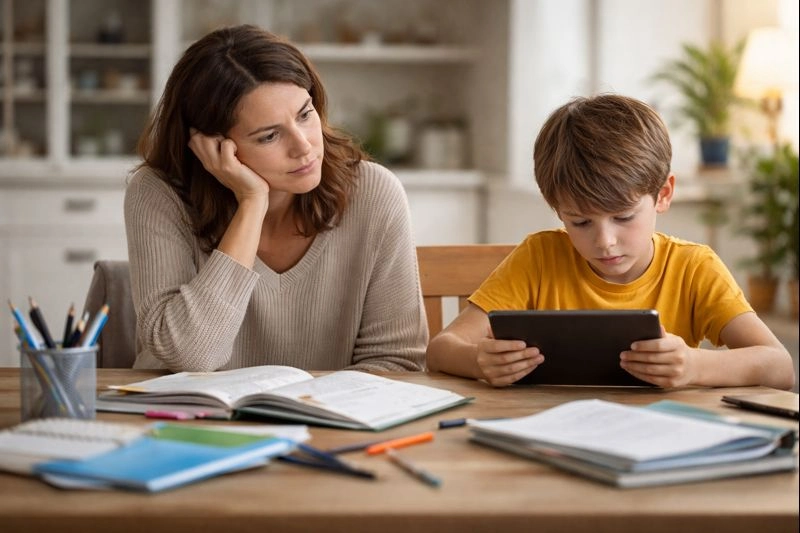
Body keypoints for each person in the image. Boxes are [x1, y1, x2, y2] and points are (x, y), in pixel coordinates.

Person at [426, 94, 795, 390]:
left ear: (663, 194)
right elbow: (442, 349)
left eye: (623, 217)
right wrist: (479, 361)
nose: (605, 241)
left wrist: (697, 366)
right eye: (580, 221)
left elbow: (779, 366)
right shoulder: (538, 258)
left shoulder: (693, 268)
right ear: (557, 209)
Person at [125, 24, 427, 372]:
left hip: (327, 422)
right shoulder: (158, 193)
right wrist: (251, 203)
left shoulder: (374, 193)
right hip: (192, 420)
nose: (304, 146)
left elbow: (397, 361)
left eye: (305, 114)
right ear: (213, 147)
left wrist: (309, 412)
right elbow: (190, 357)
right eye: (269, 136)